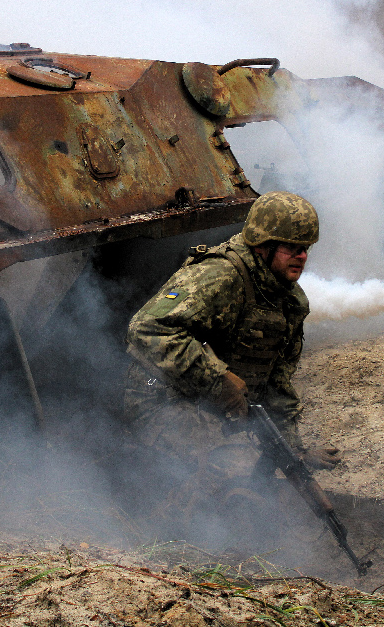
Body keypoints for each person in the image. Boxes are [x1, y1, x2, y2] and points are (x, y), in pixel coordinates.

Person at [122, 191, 340, 530]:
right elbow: (146, 328)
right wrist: (215, 378)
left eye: (306, 248)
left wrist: (292, 449)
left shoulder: (290, 301)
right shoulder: (221, 276)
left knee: (255, 496)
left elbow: (277, 383)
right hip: (160, 399)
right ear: (262, 246)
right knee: (211, 487)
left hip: (212, 408)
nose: (302, 256)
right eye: (291, 248)